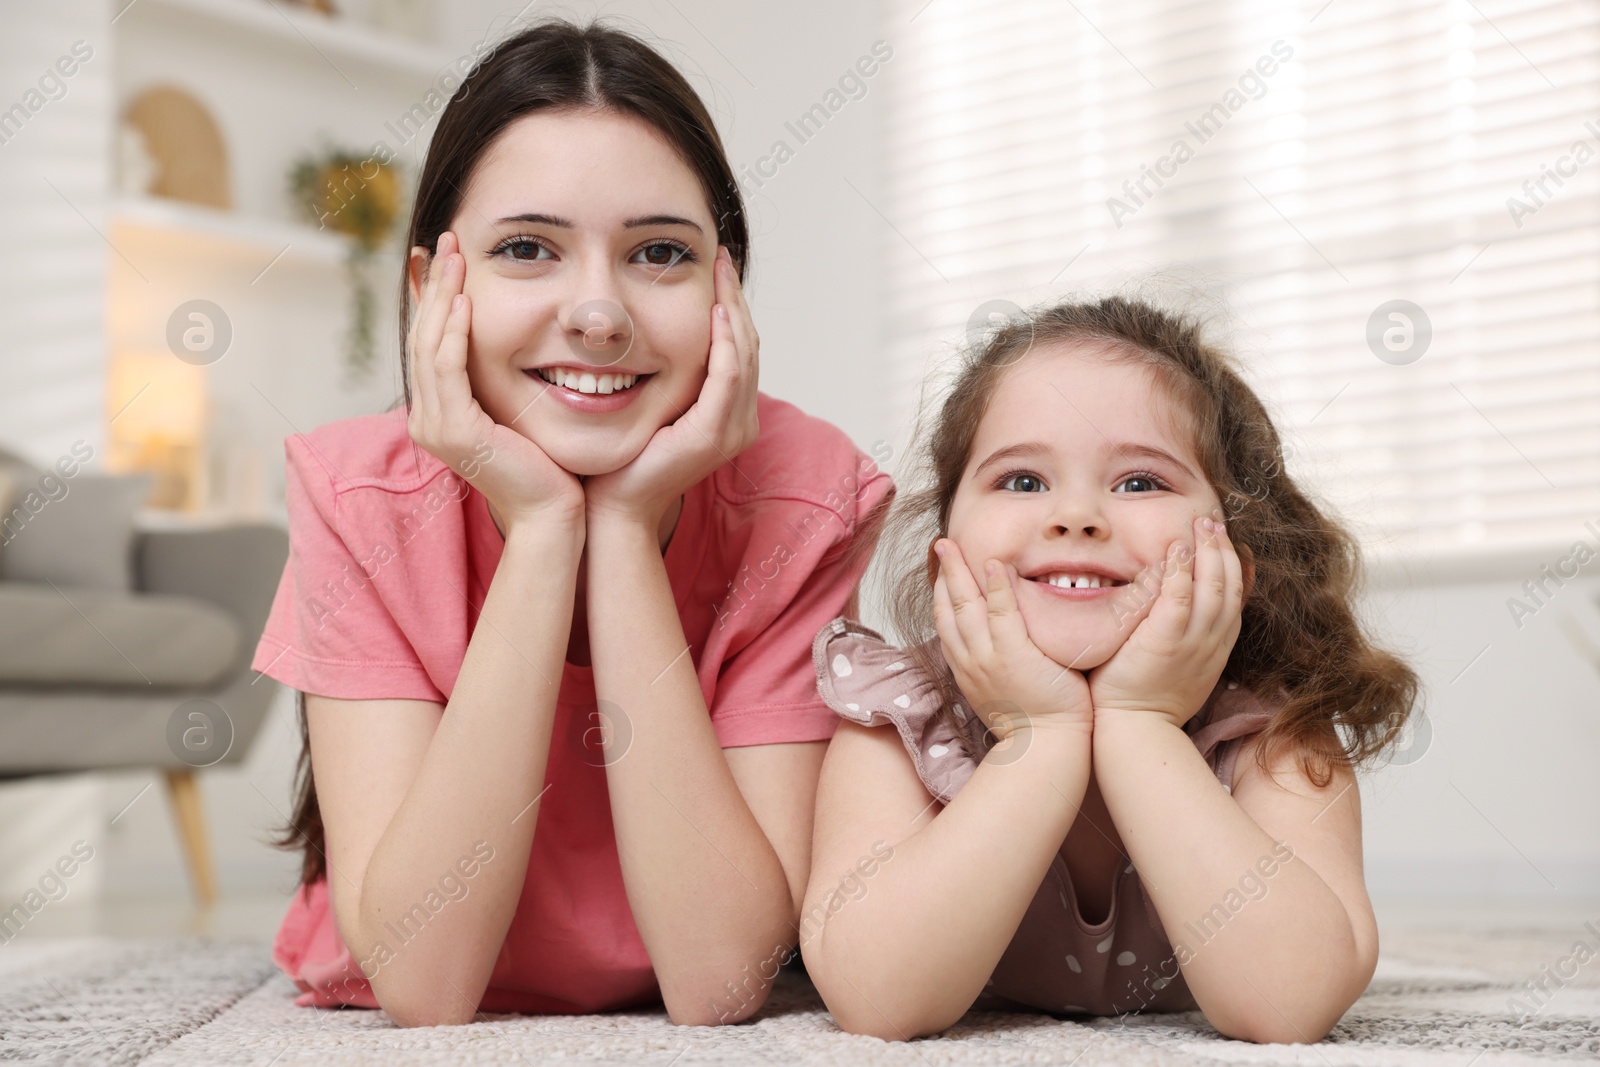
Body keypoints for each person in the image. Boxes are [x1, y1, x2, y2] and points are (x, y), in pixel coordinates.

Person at [252, 20, 892, 1027]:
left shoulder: (802, 497)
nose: (598, 311)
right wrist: (547, 529)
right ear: (433, 292)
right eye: (526, 249)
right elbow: (424, 985)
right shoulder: (356, 494)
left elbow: (721, 977)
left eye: (658, 253)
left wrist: (626, 531)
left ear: (727, 290)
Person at [800, 296, 1418, 1043]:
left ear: (1235, 562)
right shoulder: (901, 717)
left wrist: (1139, 723)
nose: (1077, 516)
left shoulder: (1274, 732)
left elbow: (1288, 1003)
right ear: (945, 551)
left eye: (1139, 482)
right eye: (1023, 480)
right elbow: (877, 999)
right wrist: (1043, 734)